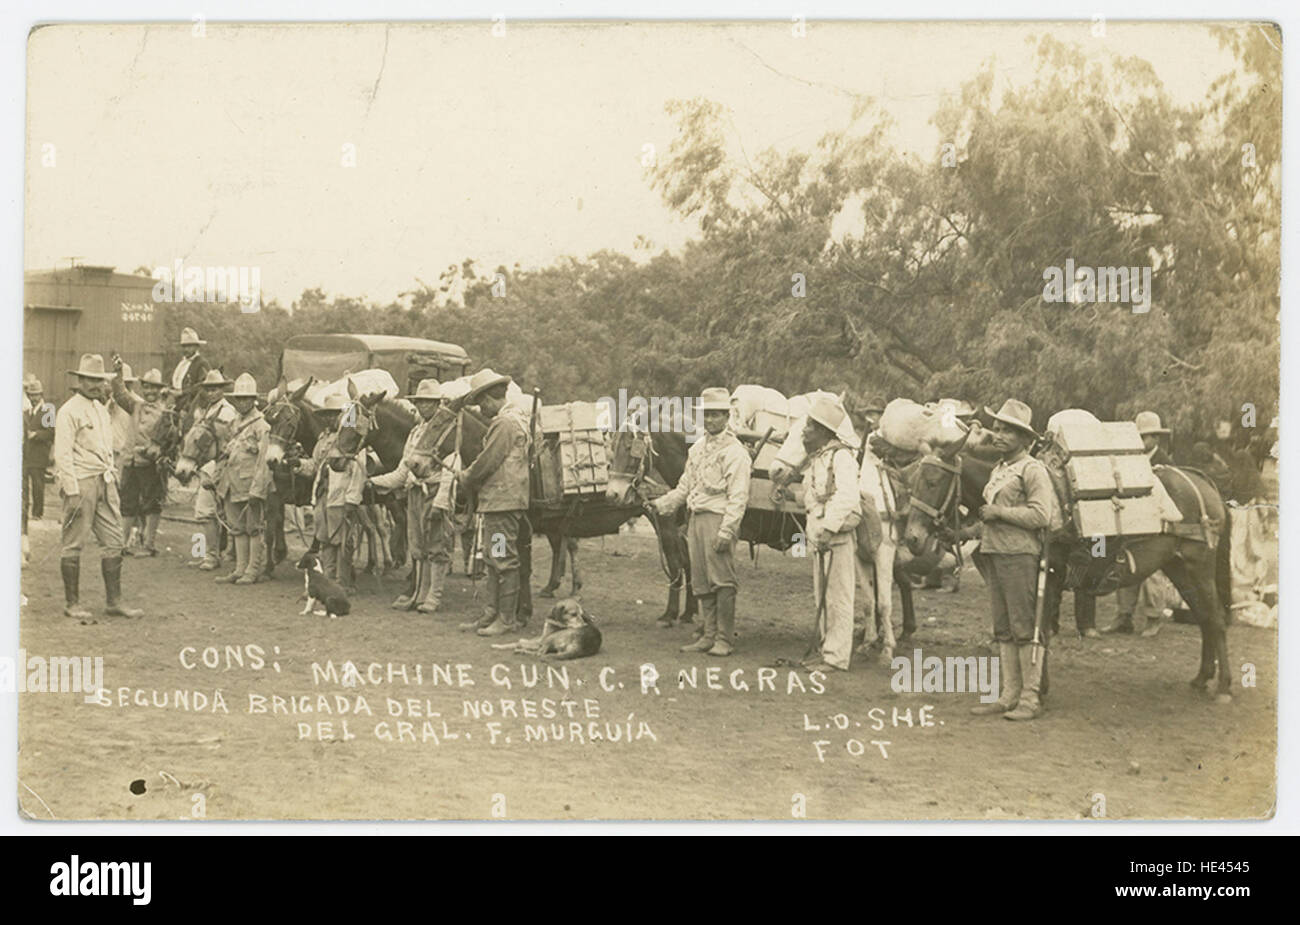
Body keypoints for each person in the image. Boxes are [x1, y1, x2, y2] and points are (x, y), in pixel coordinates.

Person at [970, 398, 1059, 721]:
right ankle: (1009, 694)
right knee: (1003, 627)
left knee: (1025, 627)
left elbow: (1041, 515)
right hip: (994, 553)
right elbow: (990, 515)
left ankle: (1030, 697)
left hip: (1020, 554)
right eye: (996, 428)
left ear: (1025, 439)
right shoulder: (999, 470)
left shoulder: (1032, 469)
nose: (999, 434)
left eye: (1009, 431)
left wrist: (1000, 512)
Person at [652, 386, 751, 656]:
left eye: (716, 415)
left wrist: (727, 531)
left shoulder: (736, 453)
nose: (710, 421)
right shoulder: (697, 449)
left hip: (718, 519)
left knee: (722, 580)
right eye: (706, 415)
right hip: (696, 519)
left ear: (727, 417)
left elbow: (739, 496)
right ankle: (707, 635)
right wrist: (662, 504)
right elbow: (685, 486)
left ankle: (724, 638)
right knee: (702, 580)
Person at [53, 354, 144, 620]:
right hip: (81, 482)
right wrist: (71, 490)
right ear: (79, 380)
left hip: (105, 480)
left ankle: (114, 601)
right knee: (73, 543)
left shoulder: (101, 409)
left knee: (114, 540)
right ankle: (73, 604)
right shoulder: (69, 411)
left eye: (98, 380)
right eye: (89, 380)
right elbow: (62, 454)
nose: (94, 385)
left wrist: (112, 479)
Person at [456, 369, 534, 637]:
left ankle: (505, 618)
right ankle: (492, 613)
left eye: (481, 402)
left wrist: (466, 476)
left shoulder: (504, 424)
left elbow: (487, 461)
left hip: (502, 503)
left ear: (490, 398)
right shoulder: (515, 420)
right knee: (492, 558)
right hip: (499, 502)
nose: (480, 408)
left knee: (502, 558)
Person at [370, 379, 455, 613]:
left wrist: (441, 500)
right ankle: (419, 593)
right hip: (415, 493)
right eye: (420, 402)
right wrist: (372, 482)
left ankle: (433, 596)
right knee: (418, 546)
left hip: (435, 490)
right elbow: (401, 472)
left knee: (436, 544)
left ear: (438, 404)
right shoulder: (415, 432)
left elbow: (451, 464)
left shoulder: (446, 429)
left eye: (428, 403)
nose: (423, 407)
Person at [798, 396, 862, 672]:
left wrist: (827, 528)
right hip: (820, 538)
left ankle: (836, 658)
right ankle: (826, 649)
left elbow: (847, 496)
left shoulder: (842, 457)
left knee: (838, 598)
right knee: (822, 596)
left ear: (824, 431)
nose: (804, 430)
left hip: (835, 539)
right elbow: (813, 498)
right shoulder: (817, 460)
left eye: (810, 426)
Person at [1110, 411, 1175, 636]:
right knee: (1127, 565)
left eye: (1145, 437)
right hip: (1132, 521)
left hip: (1154, 524)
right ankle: (1124, 616)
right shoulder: (1129, 460)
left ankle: (1153, 617)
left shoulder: (1165, 463)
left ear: (1155, 439)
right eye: (1138, 436)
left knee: (1152, 571)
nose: (1141, 441)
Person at [213, 373, 272, 585]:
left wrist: (258, 489)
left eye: (247, 398)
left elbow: (263, 460)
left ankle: (253, 569)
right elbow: (227, 453)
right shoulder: (234, 423)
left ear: (254, 399)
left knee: (254, 527)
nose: (243, 402)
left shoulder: (261, 425)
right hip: (231, 483)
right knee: (237, 528)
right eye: (239, 398)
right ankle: (239, 568)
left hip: (249, 484)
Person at [110, 360, 171, 556]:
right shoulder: (135, 405)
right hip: (130, 462)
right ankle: (124, 543)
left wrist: (157, 454)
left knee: (151, 503)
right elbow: (120, 395)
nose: (150, 391)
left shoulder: (166, 412)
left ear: (160, 390)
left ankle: (149, 545)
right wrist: (118, 373)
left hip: (150, 464)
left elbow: (169, 441)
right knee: (127, 502)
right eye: (146, 387)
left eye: (154, 387)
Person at [191, 370, 239, 570]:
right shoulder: (207, 409)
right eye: (208, 389)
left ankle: (211, 556)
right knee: (211, 512)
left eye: (215, 389)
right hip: (207, 463)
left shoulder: (226, 412)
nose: (211, 393)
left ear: (222, 390)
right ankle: (205, 553)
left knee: (206, 511)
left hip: (219, 464)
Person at [23, 376, 53, 524]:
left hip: (40, 454)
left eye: (36, 394)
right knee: (25, 486)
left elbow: (51, 432)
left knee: (37, 485)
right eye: (31, 395)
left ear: (41, 395)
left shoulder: (48, 410)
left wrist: (36, 435)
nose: (33, 397)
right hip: (27, 453)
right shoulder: (27, 411)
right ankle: (25, 511)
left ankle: (37, 512)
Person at [171, 327, 212, 418]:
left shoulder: (201, 363)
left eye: (189, 346)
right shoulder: (182, 364)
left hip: (192, 406)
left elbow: (203, 386)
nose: (186, 349)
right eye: (184, 346)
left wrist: (182, 392)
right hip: (177, 403)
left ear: (196, 347)